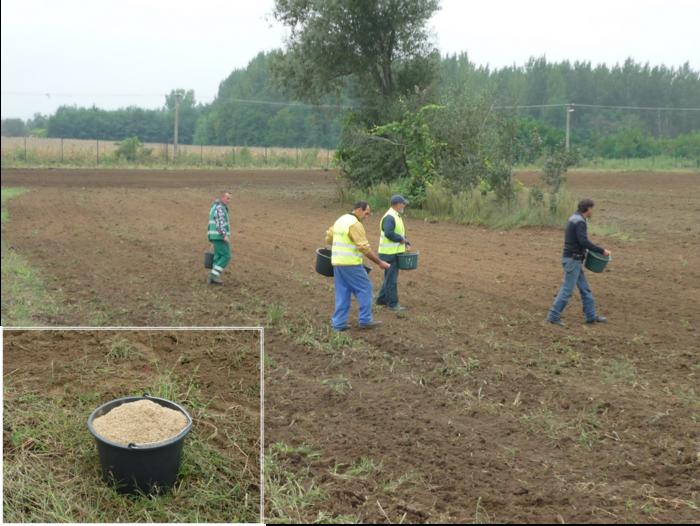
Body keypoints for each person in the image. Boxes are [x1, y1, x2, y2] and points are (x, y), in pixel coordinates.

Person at [325, 201, 390, 331]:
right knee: (365, 288)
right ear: (360, 209)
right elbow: (363, 248)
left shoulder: (341, 220)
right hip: (351, 264)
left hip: (338, 262)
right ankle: (365, 320)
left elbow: (328, 238)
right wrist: (379, 262)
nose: (367, 216)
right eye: (367, 213)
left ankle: (338, 323)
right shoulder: (355, 224)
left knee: (342, 292)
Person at [547, 198, 611, 326]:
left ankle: (591, 316)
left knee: (585, 289)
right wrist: (601, 250)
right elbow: (583, 241)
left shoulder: (574, 218)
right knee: (567, 290)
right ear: (588, 209)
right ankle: (553, 317)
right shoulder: (580, 222)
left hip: (573, 260)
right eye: (592, 208)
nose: (593, 211)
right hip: (573, 260)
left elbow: (579, 241)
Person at [376, 194, 412, 311]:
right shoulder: (390, 217)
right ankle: (393, 304)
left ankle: (381, 299)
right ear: (397, 204)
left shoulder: (396, 216)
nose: (404, 205)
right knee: (391, 279)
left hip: (393, 252)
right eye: (403, 203)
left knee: (389, 277)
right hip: (389, 254)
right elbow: (389, 233)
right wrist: (401, 240)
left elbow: (399, 232)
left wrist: (406, 242)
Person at [207, 191, 232, 285]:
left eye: (230, 198)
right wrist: (224, 235)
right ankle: (213, 275)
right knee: (226, 256)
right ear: (222, 198)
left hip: (215, 236)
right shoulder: (219, 208)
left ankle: (213, 278)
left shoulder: (215, 207)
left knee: (218, 257)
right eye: (228, 198)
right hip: (219, 237)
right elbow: (219, 222)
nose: (229, 201)